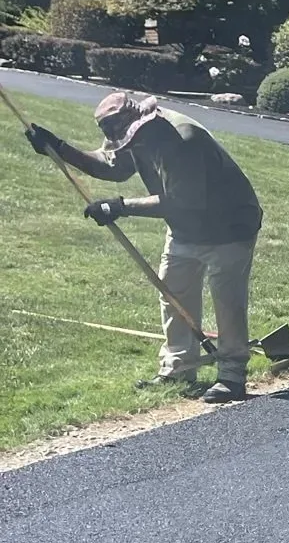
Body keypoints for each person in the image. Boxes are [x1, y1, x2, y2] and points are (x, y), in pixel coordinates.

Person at [26, 92, 264, 403]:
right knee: (172, 294)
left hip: (229, 225)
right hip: (186, 229)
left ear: (142, 120)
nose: (128, 144)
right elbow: (113, 167)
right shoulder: (135, 137)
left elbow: (184, 201)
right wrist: (59, 148)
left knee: (227, 302)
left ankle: (232, 376)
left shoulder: (182, 138)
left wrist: (119, 207)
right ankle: (178, 369)